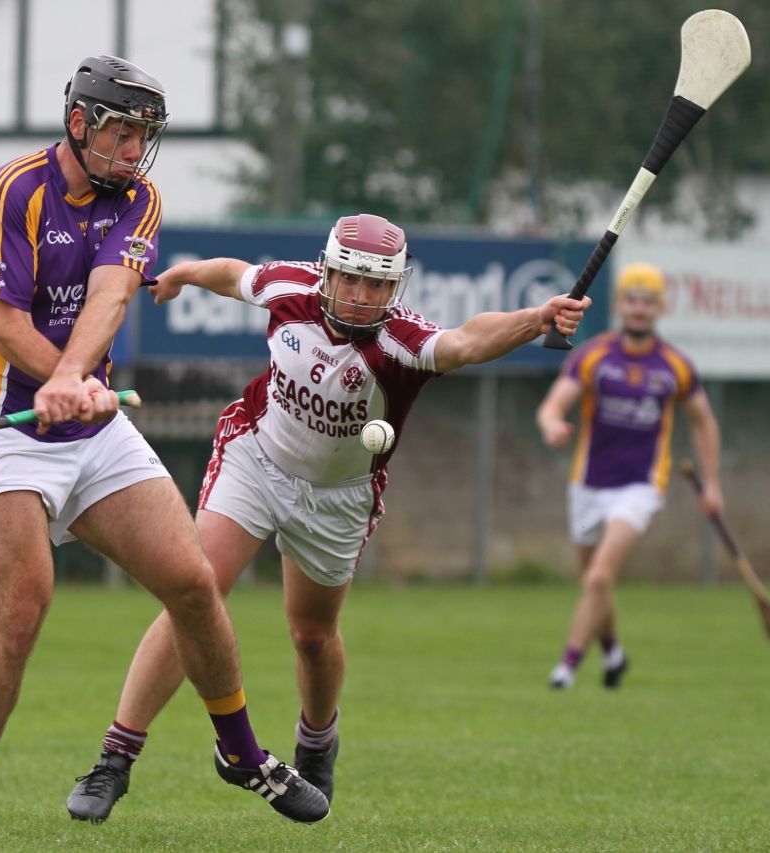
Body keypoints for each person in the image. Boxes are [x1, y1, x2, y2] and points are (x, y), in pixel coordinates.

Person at [64, 213, 591, 820]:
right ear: (330, 272)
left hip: (338, 497)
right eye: (353, 280)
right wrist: (182, 274)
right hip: (255, 457)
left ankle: (316, 743)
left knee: (312, 636)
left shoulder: (402, 342)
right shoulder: (291, 288)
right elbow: (233, 274)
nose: (364, 297)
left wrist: (535, 319)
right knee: (195, 592)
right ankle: (115, 759)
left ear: (395, 289)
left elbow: (470, 340)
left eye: (379, 286)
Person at [0, 55, 330, 842]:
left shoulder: (140, 199)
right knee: (19, 611)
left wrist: (75, 377)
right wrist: (56, 377)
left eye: (143, 135)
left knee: (192, 581)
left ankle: (241, 751)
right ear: (78, 122)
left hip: (92, 425)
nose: (132, 149)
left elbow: (113, 294)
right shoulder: (15, 190)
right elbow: (8, 319)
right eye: (120, 130)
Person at [537, 262, 722, 690]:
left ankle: (566, 667)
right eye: (632, 300)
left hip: (640, 486)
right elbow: (552, 406)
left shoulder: (674, 365)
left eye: (648, 302)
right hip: (587, 483)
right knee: (593, 584)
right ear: (620, 305)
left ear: (660, 308)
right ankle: (614, 654)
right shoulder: (594, 355)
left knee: (601, 577)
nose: (639, 309)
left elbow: (704, 423)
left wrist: (713, 485)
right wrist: (551, 425)